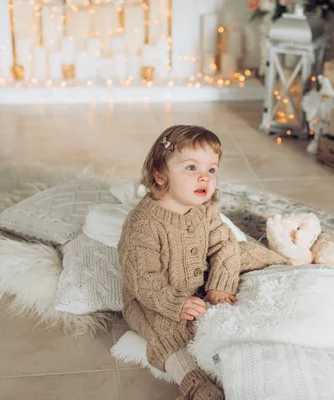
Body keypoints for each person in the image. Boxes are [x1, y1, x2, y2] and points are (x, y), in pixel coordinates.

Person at [118, 125, 287, 399]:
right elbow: (143, 278)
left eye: (211, 170)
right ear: (159, 176)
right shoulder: (143, 225)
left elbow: (224, 244)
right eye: (191, 168)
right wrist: (176, 303)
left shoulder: (204, 211)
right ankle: (195, 384)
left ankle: (292, 267)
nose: (204, 178)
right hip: (157, 298)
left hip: (201, 278)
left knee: (244, 251)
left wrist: (221, 285)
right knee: (165, 331)